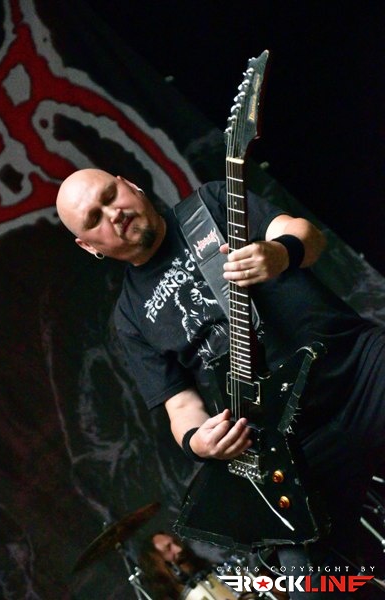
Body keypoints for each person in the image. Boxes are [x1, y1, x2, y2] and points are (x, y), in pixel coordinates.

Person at [56, 169, 385, 598]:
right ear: (89, 246)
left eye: (109, 195)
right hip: (292, 446)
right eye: (95, 218)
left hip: (358, 370)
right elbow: (180, 406)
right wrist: (199, 441)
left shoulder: (210, 205)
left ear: (130, 185)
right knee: (311, 586)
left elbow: (307, 235)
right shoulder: (130, 318)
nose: (113, 213)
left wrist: (280, 253)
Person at [137, 531, 211, 600]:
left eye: (175, 542)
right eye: (168, 548)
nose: (179, 549)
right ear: (157, 564)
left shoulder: (202, 566)